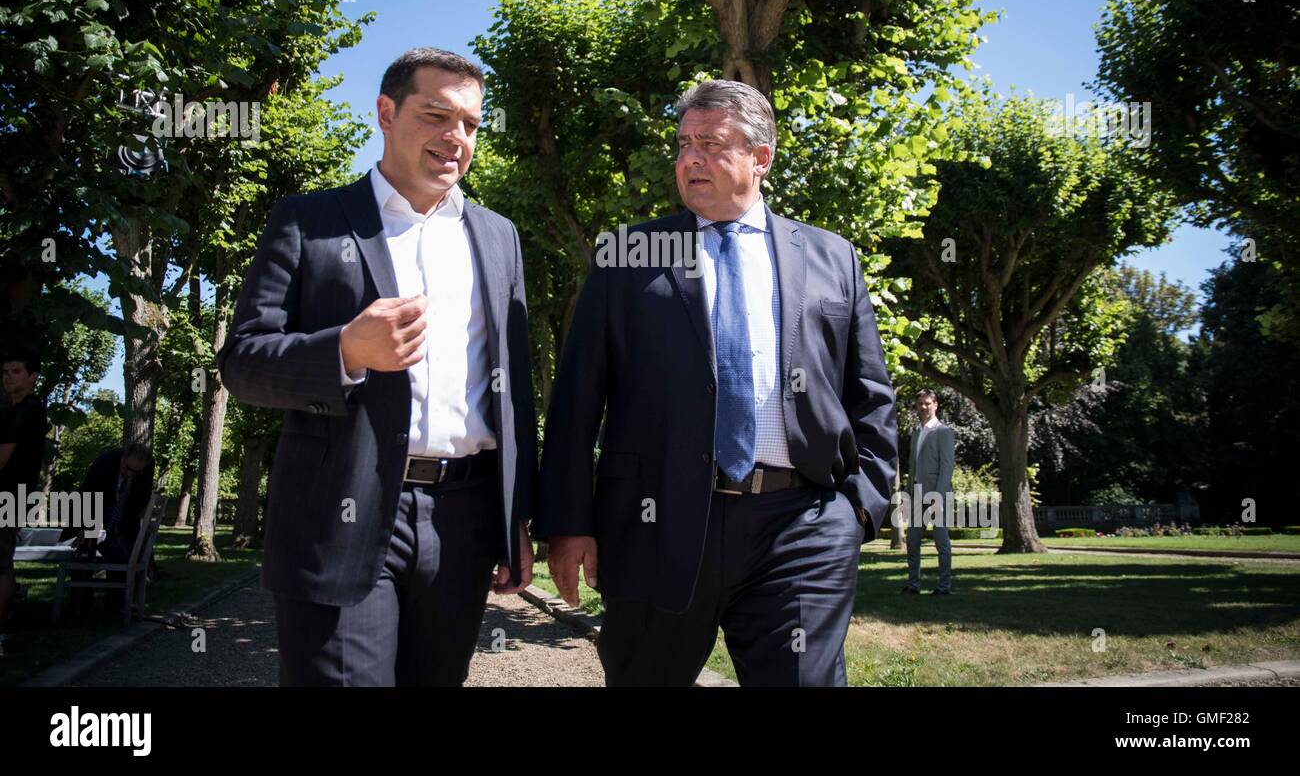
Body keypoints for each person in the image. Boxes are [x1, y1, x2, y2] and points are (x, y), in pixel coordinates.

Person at [535, 79, 897, 686]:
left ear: (762, 157)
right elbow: (576, 400)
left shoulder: (833, 257)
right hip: (656, 523)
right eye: (683, 145)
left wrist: (859, 507)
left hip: (801, 524)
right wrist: (569, 523)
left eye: (710, 144)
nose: (690, 159)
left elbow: (871, 395)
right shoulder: (627, 256)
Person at [218, 47, 537, 686]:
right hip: (339, 514)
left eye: (471, 124)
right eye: (436, 115)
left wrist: (516, 519)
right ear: (386, 113)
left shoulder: (498, 236)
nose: (457, 138)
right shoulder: (306, 222)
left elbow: (512, 390)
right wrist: (344, 352)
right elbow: (243, 362)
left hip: (463, 522)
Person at [0, 349, 48, 656]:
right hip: (16, 495)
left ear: (32, 377)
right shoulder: (25, 409)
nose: (8, 377)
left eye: (15, 371)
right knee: (3, 561)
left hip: (6, 495)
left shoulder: (24, 410)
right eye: (5, 372)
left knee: (0, 565)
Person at [69, 444, 155, 615]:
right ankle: (81, 605)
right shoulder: (104, 463)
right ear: (123, 459)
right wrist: (86, 528)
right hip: (94, 504)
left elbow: (142, 496)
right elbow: (89, 496)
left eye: (136, 472)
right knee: (85, 550)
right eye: (128, 469)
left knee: (122, 550)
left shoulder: (147, 466)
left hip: (126, 509)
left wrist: (120, 527)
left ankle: (116, 604)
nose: (131, 474)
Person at [902, 389, 955, 595]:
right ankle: (913, 585)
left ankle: (944, 587)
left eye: (927, 403)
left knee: (941, 543)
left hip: (937, 496)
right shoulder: (916, 433)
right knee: (912, 542)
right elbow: (913, 468)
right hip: (916, 495)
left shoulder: (944, 432)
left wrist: (939, 497)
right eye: (920, 404)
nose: (923, 407)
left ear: (935, 405)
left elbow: (947, 466)